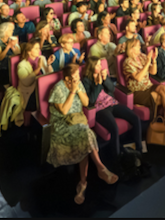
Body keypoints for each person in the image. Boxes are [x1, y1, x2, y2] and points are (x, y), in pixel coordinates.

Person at [47, 63, 118, 205]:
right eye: (75, 77)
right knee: (85, 135)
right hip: (62, 125)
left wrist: (78, 89)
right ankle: (99, 169)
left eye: (78, 75)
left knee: (84, 135)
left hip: (78, 120)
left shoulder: (78, 84)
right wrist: (73, 91)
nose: (78, 78)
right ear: (67, 79)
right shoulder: (58, 89)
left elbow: (86, 102)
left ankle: (84, 182)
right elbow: (64, 111)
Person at [82, 55, 145, 161]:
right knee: (114, 128)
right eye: (97, 65)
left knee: (135, 118)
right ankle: (117, 157)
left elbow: (112, 88)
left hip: (111, 102)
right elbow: (91, 100)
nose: (100, 66)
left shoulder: (103, 74)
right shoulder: (86, 81)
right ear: (92, 67)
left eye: (100, 64)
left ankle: (139, 149)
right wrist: (97, 84)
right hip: (100, 109)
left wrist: (105, 79)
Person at [121, 39, 165, 143]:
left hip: (149, 86)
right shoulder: (127, 62)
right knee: (164, 98)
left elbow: (153, 71)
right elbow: (138, 78)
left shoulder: (142, 56)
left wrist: (153, 60)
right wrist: (148, 62)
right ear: (131, 49)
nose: (140, 47)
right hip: (138, 91)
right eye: (138, 46)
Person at [16, 40, 54, 113]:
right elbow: (26, 82)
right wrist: (38, 69)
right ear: (29, 51)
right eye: (36, 48)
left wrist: (48, 64)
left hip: (42, 86)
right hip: (29, 90)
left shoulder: (41, 58)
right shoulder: (22, 65)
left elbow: (49, 74)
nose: (39, 50)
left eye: (39, 48)